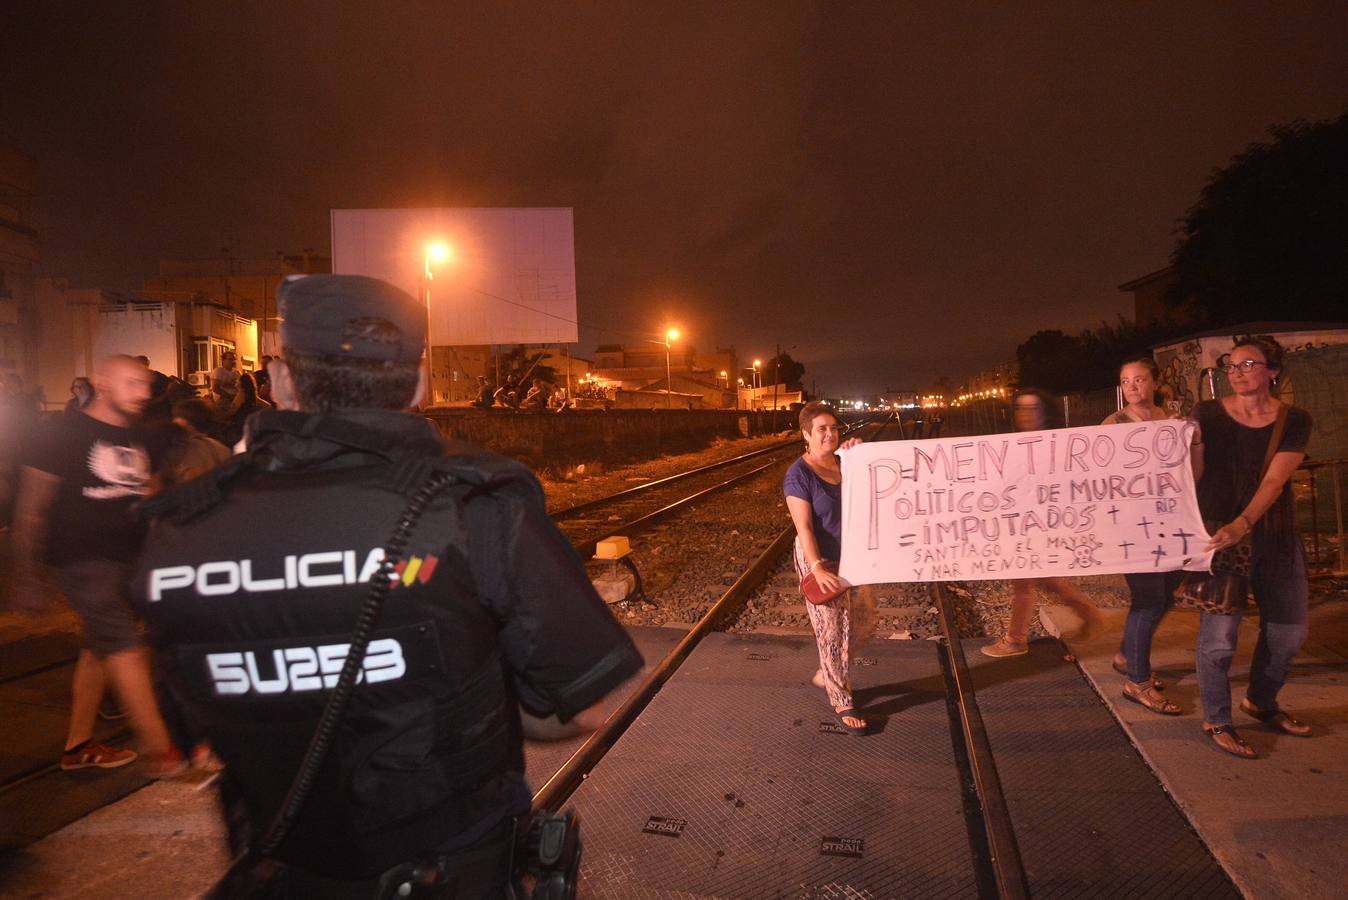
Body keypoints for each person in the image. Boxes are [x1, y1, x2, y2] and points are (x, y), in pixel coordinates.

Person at [133, 274, 643, 895]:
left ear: (281, 379)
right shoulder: (474, 502)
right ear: (421, 380)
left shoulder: (180, 524)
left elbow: (188, 740)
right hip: (451, 871)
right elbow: (582, 706)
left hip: (282, 871)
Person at [12, 355, 180, 773]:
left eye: (145, 384)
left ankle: (78, 745)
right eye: (132, 383)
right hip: (84, 560)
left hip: (130, 559)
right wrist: (27, 577)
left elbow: (150, 494)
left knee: (99, 649)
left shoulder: (141, 436)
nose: (143, 393)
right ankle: (165, 752)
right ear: (102, 384)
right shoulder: (62, 433)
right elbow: (31, 509)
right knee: (125, 647)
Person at [1191, 336, 1313, 759]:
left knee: (1289, 632)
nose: (1237, 372)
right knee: (1220, 638)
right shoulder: (1206, 413)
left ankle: (1261, 701)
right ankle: (1218, 718)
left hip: (1273, 535)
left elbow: (1275, 481)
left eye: (1248, 364)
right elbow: (1195, 475)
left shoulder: (1294, 419)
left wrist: (1245, 523)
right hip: (1221, 538)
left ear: (1272, 372)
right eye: (1232, 365)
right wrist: (1187, 445)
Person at [982, 388, 1104, 657]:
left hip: (1045, 524)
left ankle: (1015, 639)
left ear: (1045, 412)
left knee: (1024, 582)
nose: (1026, 415)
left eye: (1033, 409)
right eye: (1021, 409)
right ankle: (1089, 615)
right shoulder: (1011, 445)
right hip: (1022, 525)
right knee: (1043, 580)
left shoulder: (1057, 444)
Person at [784, 401, 875, 735]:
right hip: (820, 556)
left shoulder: (847, 463)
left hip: (853, 556)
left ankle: (828, 669)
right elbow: (804, 528)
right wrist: (816, 567)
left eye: (834, 428)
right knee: (833, 628)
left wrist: (862, 456)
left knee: (864, 622)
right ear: (806, 434)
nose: (830, 434)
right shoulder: (798, 475)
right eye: (821, 429)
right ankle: (840, 695)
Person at [1100, 358, 1183, 714]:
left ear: (1154, 383)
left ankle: (1126, 655)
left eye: (1139, 379)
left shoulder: (1172, 420)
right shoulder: (1113, 424)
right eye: (1125, 381)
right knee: (1148, 600)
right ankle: (1138, 681)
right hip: (1136, 526)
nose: (1132, 386)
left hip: (1173, 521)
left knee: (1167, 595)